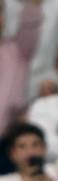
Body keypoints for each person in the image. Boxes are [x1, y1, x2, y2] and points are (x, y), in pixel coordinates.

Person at [0, 0, 43, 134]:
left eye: (0, 11)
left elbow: (30, 23)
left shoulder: (18, 51)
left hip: (8, 142)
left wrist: (32, 4)